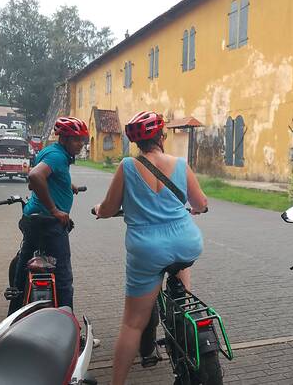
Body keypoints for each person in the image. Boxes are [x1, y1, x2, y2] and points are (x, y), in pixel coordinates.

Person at [93, 111, 208, 385]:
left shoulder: (127, 166)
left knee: (133, 323)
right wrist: (196, 208)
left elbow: (108, 208)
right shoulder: (180, 164)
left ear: (136, 142)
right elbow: (201, 203)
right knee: (181, 274)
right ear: (161, 136)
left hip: (148, 249)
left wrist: (98, 209)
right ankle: (183, 316)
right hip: (186, 241)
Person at [9, 117, 88, 314]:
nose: (80, 144)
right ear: (64, 139)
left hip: (32, 219)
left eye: (82, 139)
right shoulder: (58, 156)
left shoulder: (49, 151)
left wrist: (68, 186)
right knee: (63, 279)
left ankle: (13, 314)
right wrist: (54, 210)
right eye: (76, 139)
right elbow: (35, 176)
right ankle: (69, 325)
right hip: (49, 223)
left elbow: (44, 178)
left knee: (22, 268)